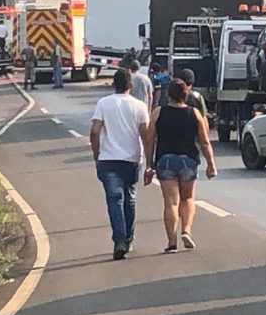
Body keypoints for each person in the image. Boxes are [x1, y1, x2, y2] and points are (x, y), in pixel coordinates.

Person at [145, 78, 217, 253]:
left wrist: (149, 164)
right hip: (188, 160)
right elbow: (205, 142)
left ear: (169, 94)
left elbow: (149, 140)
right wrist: (211, 164)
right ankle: (186, 230)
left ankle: (171, 242)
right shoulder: (194, 113)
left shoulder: (158, 112)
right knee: (188, 198)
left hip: (165, 160)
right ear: (186, 95)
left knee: (171, 203)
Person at [90, 70, 151, 260]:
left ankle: (119, 240)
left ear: (113, 85)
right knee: (129, 198)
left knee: (114, 199)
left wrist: (97, 155)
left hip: (108, 159)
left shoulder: (103, 103)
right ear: (130, 86)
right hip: (131, 159)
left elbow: (94, 131)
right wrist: (149, 163)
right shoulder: (140, 106)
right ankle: (128, 239)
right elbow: (146, 136)